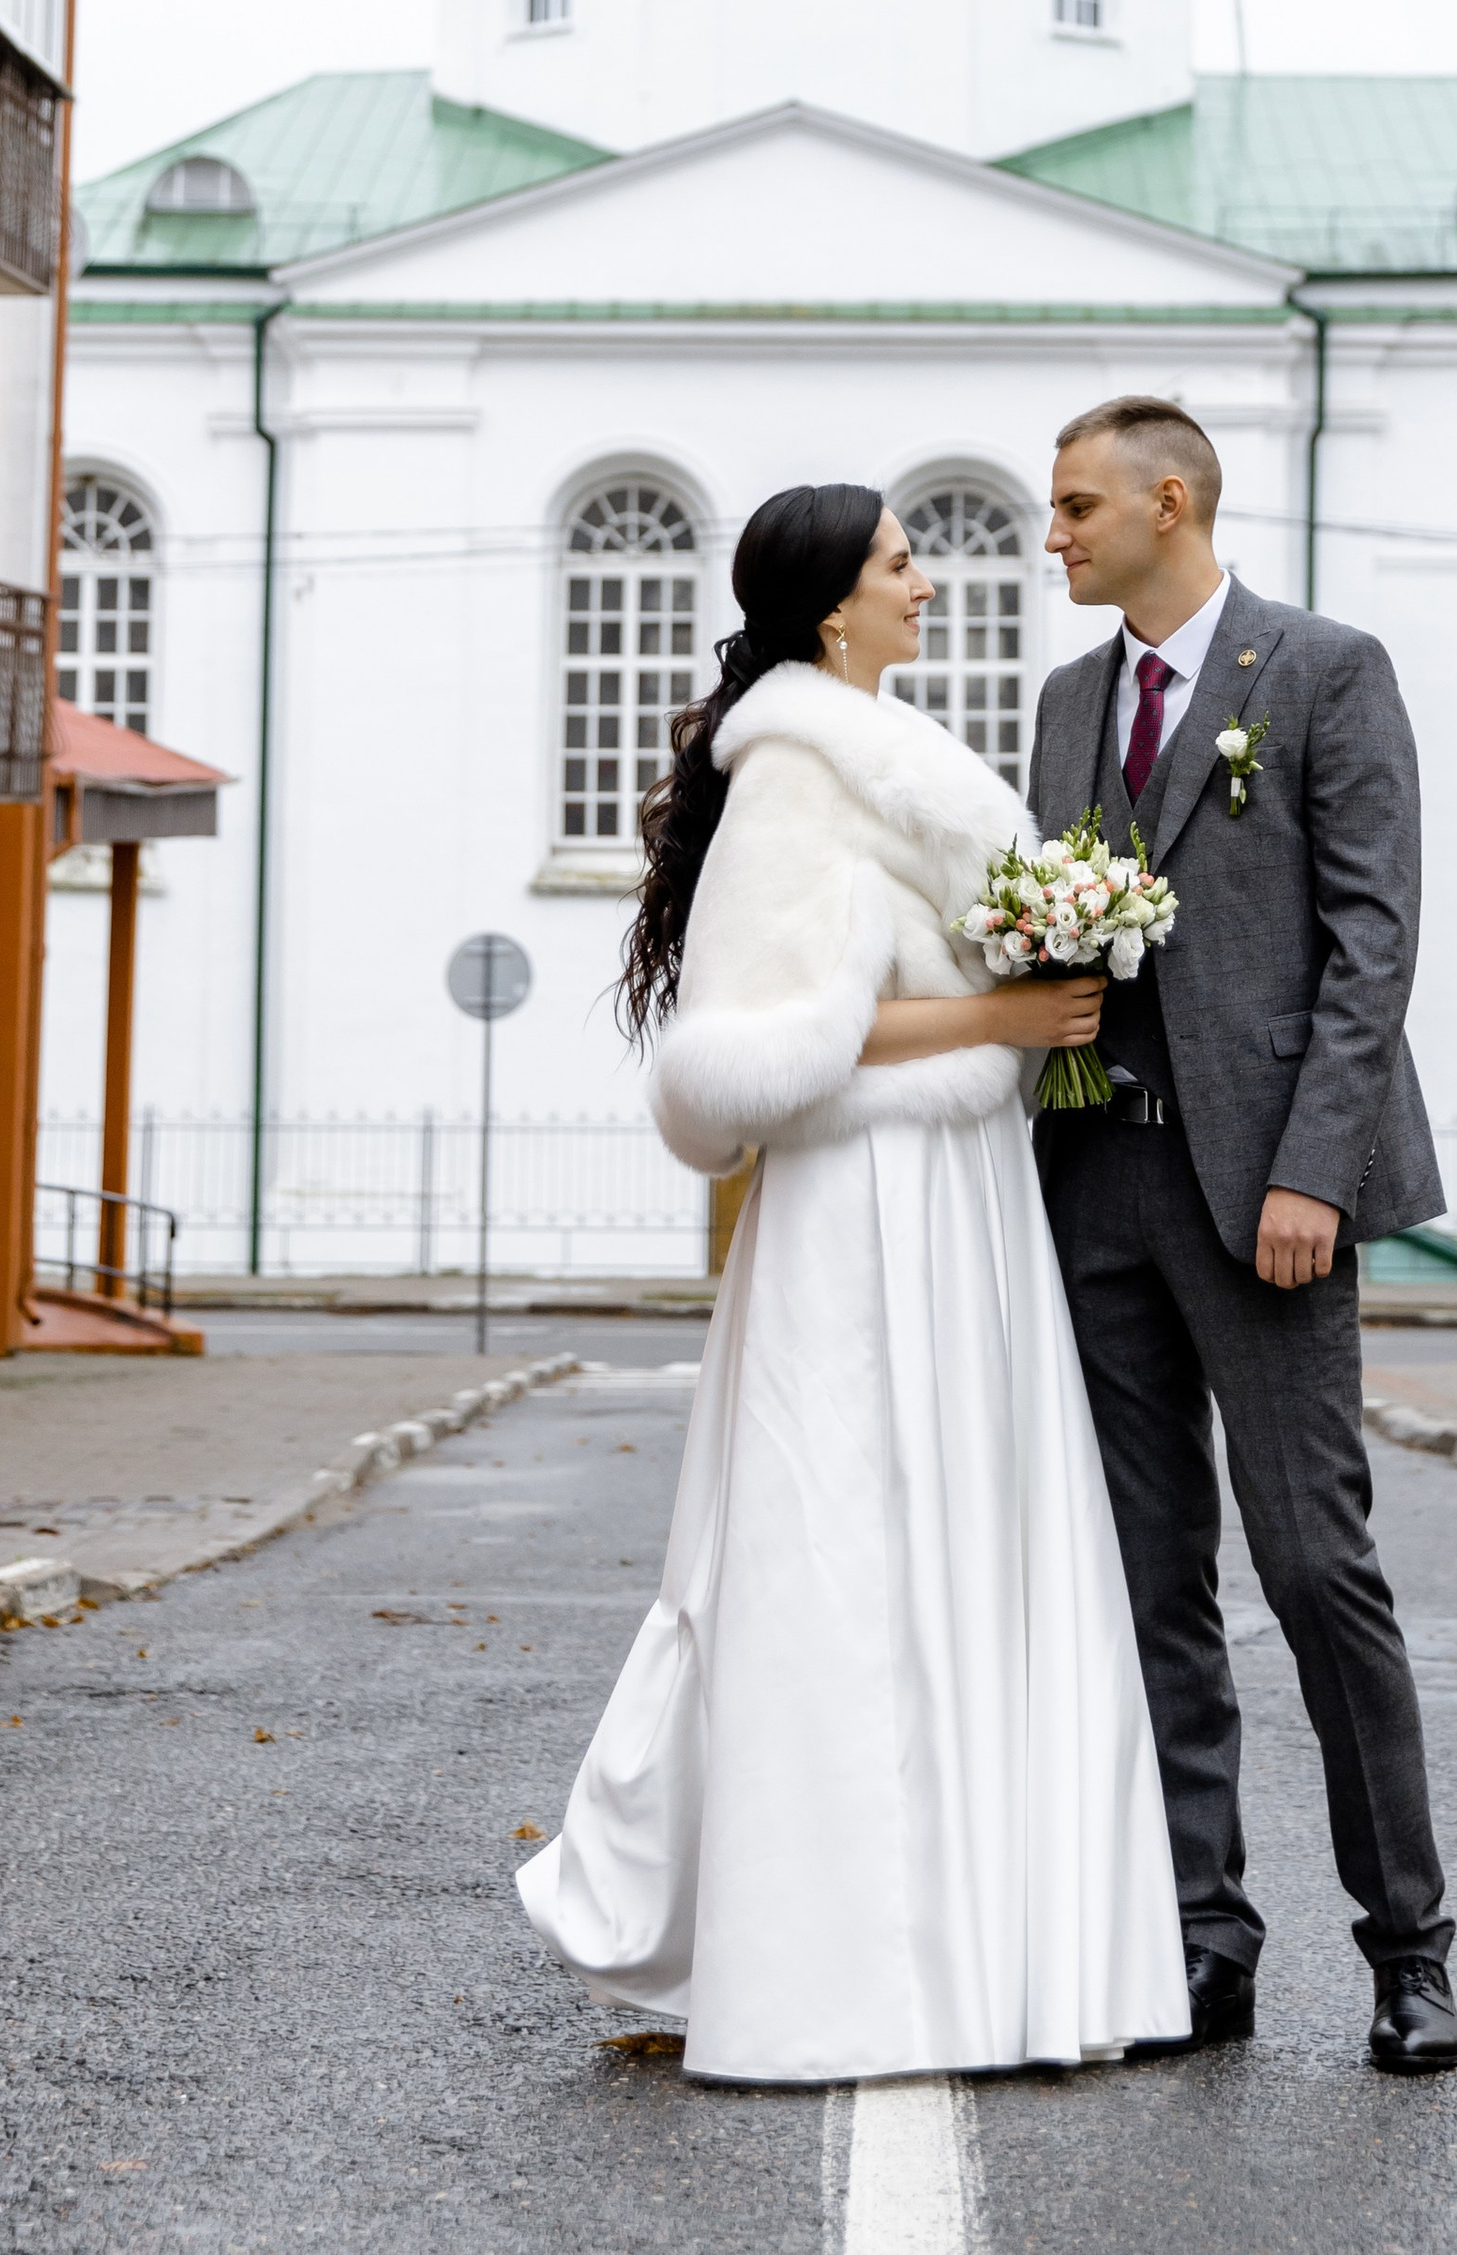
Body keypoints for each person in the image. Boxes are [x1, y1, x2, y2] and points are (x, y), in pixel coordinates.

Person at [517, 481, 1189, 2085]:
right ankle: (840, 1978)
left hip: (959, 1199)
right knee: (847, 1554)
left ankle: (986, 1972)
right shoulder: (802, 777)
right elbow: (758, 1043)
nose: (928, 583)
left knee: (969, 1551)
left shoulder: (889, 762)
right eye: (902, 563)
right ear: (833, 608)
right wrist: (1001, 1022)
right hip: (860, 1209)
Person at [1030, 396, 1457, 2076]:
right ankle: (1202, 1939)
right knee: (1154, 1581)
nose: (1055, 536)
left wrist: (1315, 1173)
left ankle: (1410, 1952)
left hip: (1267, 1199)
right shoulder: (1070, 703)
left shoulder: (1327, 671)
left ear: (1170, 501)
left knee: (1314, 1570)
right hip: (1098, 1186)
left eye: (1077, 507)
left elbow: (1372, 943)